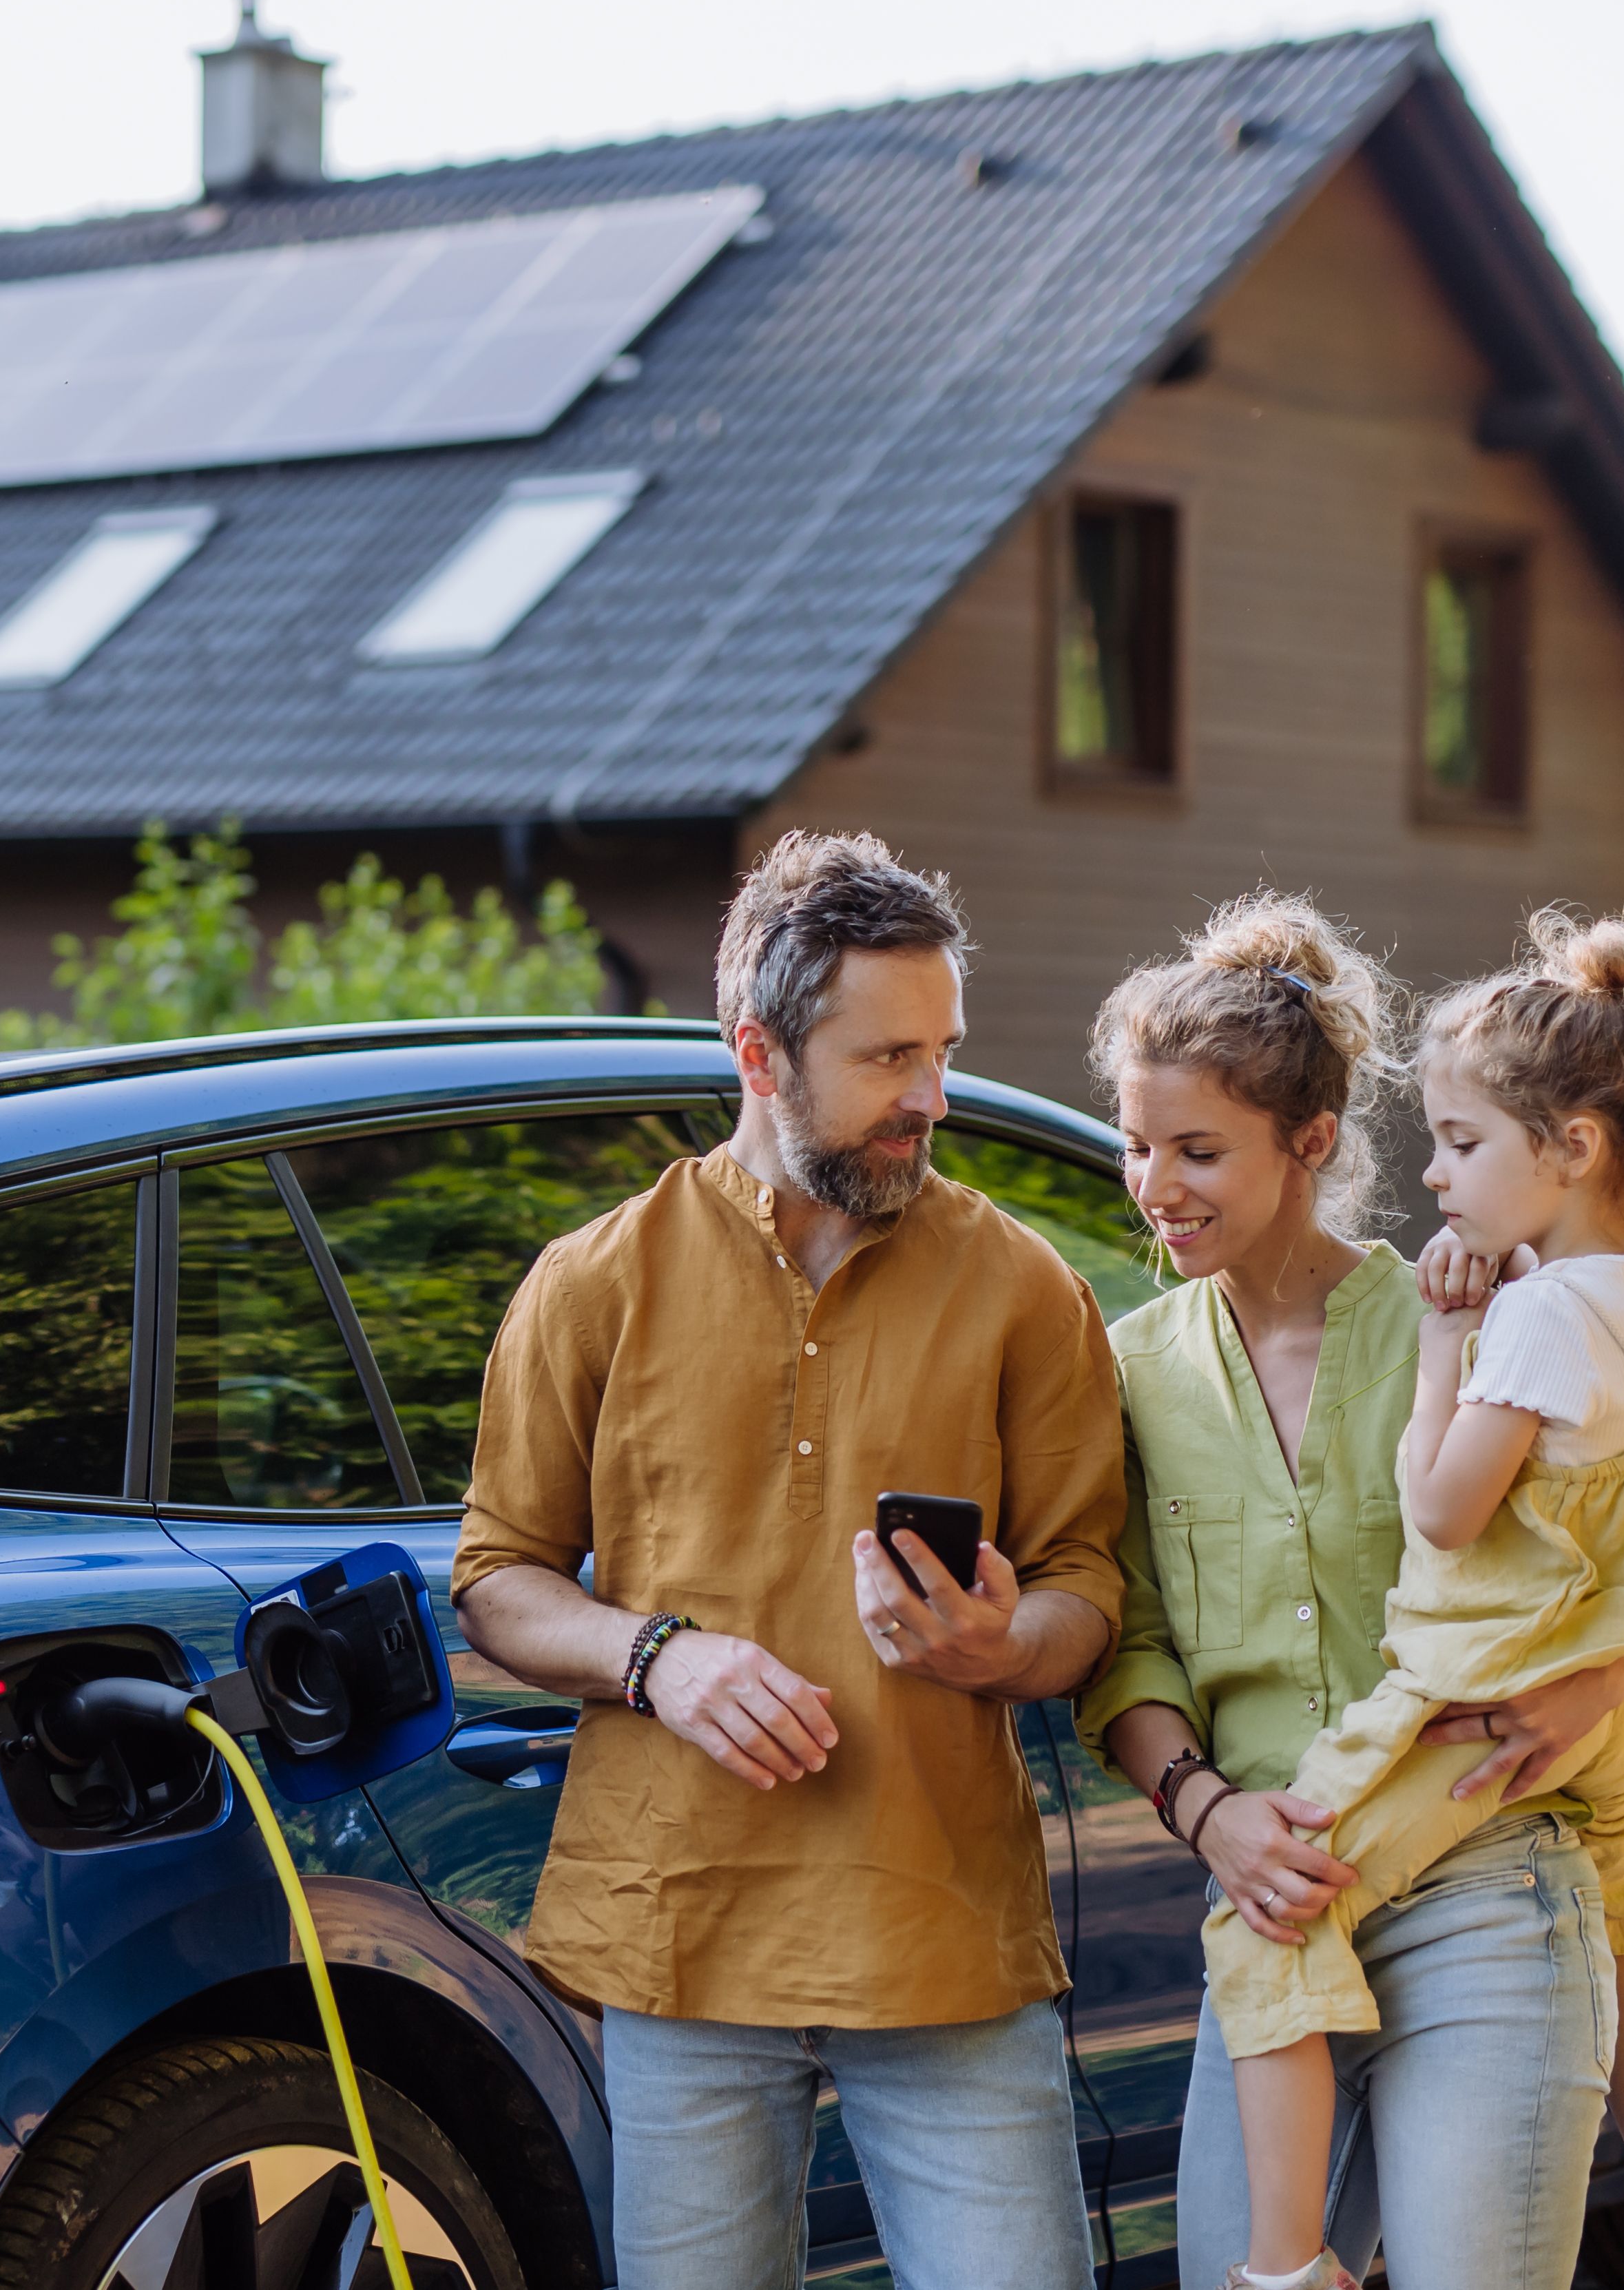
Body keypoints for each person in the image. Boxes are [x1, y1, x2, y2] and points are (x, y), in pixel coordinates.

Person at [453, 830, 1125, 2290]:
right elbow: (498, 1576)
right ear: (759, 1054)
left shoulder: (1025, 1291)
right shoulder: (593, 1283)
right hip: (678, 1940)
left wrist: (1004, 1648)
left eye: (940, 1051)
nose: (930, 1098)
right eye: (888, 1060)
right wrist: (657, 1658)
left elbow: (1088, 1590)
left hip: (939, 1936)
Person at [1080, 891, 1624, 2290]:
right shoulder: (1128, 1370)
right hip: (1276, 1892)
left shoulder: (1487, 1305)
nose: (1154, 1185)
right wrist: (1210, 1816)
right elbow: (1126, 1647)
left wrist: (1589, 1689)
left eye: (1196, 1151)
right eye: (1140, 1146)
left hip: (1490, 1881)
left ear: (1309, 1143)